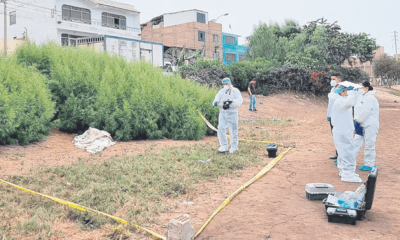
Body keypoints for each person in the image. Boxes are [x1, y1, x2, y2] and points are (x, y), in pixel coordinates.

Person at [330, 85, 362, 183]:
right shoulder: (340, 101)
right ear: (342, 92)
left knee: (344, 152)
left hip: (343, 131)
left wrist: (354, 92)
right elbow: (350, 102)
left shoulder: (340, 100)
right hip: (342, 132)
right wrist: (352, 93)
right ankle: (348, 174)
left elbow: (352, 101)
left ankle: (345, 171)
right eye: (347, 91)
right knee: (347, 153)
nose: (349, 93)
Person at [353, 81, 380, 171]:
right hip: (361, 123)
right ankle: (349, 159)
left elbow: (366, 111)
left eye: (360, 87)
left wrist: (358, 120)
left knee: (369, 144)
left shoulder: (371, 98)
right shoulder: (361, 96)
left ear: (366, 88)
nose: (358, 89)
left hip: (370, 124)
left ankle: (369, 164)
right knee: (356, 142)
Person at [213, 78, 244, 153]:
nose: (225, 85)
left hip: (232, 113)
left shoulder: (235, 91)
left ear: (229, 83)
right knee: (221, 128)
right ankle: (223, 145)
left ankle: (234, 147)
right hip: (223, 113)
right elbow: (216, 99)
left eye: (226, 84)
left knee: (233, 130)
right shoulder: (221, 91)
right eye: (223, 84)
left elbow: (240, 101)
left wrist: (231, 102)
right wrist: (216, 102)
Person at [326, 72, 343, 160]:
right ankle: (337, 153)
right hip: (332, 115)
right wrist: (328, 114)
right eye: (331, 79)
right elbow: (330, 104)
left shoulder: (342, 90)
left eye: (334, 79)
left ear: (339, 80)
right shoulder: (333, 89)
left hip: (339, 116)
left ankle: (341, 155)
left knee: (339, 135)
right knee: (335, 135)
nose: (332, 81)